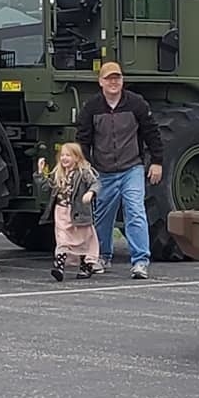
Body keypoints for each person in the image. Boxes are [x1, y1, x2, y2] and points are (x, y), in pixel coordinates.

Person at [75, 61, 163, 279]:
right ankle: (103, 256)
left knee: (135, 211)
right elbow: (83, 139)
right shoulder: (91, 107)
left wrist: (157, 161)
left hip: (131, 168)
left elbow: (152, 133)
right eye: (109, 78)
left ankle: (140, 261)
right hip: (103, 172)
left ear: (123, 81)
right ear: (100, 82)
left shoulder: (136, 104)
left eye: (117, 78)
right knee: (103, 217)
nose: (113, 82)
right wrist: (85, 167)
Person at [34, 142, 102, 282]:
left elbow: (96, 183)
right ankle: (59, 267)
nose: (64, 158)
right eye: (62, 155)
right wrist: (41, 174)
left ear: (76, 158)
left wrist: (90, 193)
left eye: (68, 155)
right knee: (62, 239)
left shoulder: (83, 173)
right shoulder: (58, 173)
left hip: (78, 212)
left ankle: (86, 265)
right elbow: (47, 188)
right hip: (61, 212)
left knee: (83, 240)